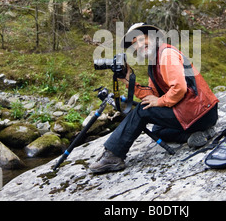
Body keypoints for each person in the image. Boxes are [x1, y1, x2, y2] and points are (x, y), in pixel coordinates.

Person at [89, 23, 219, 173]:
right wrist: (128, 81)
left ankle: (113, 156)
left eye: (140, 39)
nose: (138, 46)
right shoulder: (155, 60)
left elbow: (179, 88)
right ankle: (199, 134)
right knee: (157, 130)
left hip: (199, 112)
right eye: (133, 44)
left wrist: (160, 102)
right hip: (199, 113)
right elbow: (154, 95)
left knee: (141, 111)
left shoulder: (166, 55)